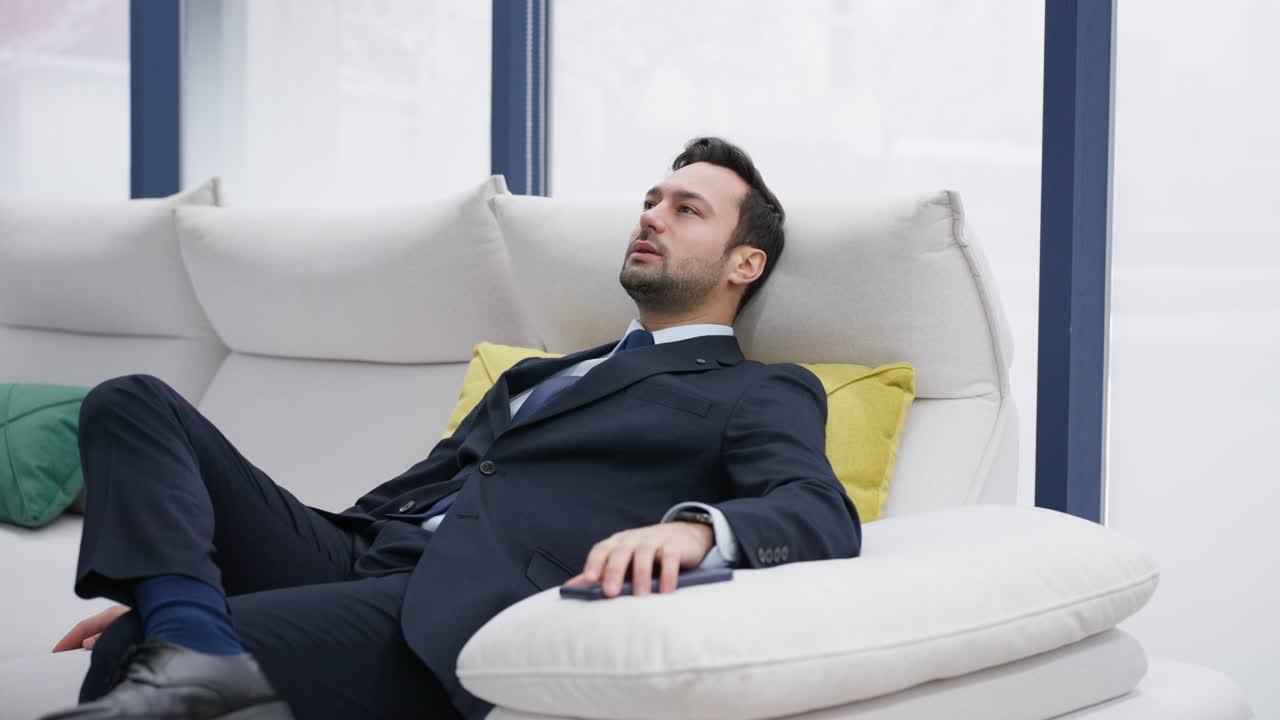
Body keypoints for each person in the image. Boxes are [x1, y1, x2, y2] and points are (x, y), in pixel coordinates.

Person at [42, 137, 862, 720]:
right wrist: (180, 578)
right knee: (132, 400)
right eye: (650, 200)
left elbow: (818, 508)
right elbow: (421, 489)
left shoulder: (759, 389)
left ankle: (190, 646)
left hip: (448, 604)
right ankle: (193, 636)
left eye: (687, 210)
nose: (652, 216)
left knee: (136, 649)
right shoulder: (539, 373)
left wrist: (693, 532)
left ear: (742, 265)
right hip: (357, 551)